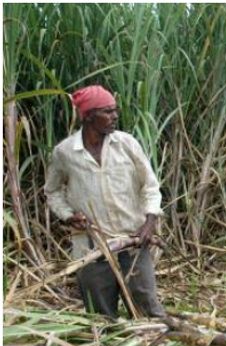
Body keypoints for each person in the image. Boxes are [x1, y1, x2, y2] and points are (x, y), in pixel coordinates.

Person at [44, 85, 166, 318]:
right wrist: (68, 215)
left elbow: (150, 185)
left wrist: (149, 222)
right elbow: (52, 192)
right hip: (92, 247)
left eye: (115, 110)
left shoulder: (126, 144)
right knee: (101, 317)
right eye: (107, 112)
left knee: (149, 312)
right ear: (88, 116)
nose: (115, 116)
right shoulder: (65, 152)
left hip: (133, 241)